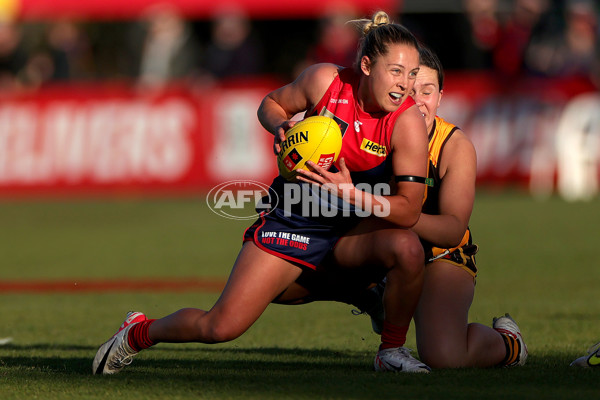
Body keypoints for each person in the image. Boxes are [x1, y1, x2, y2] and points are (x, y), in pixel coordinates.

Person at [92, 11, 431, 375]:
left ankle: (390, 350)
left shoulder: (407, 122)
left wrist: (350, 195)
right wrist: (281, 125)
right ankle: (138, 332)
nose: (405, 84)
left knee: (407, 247)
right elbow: (270, 104)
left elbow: (409, 211)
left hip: (352, 231)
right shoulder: (325, 81)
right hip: (295, 219)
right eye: (396, 71)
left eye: (412, 74)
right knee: (221, 326)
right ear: (366, 65)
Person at [349, 46, 528, 369]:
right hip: (383, 246)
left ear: (441, 97)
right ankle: (376, 294)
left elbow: (452, 229)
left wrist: (393, 209)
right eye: (408, 90)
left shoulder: (454, 146)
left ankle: (508, 343)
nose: (417, 101)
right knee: (316, 250)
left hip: (441, 255)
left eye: (427, 91)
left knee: (445, 357)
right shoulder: (372, 129)